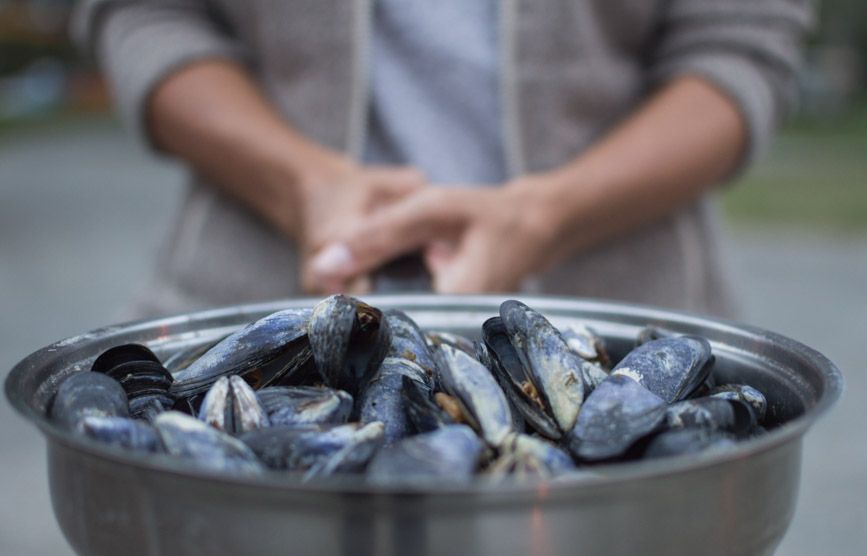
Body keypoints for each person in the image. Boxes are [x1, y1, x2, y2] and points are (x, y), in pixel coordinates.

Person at [73, 0, 812, 318]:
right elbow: (144, 14)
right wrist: (300, 182)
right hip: (247, 308)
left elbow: (739, 44)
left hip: (624, 328)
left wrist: (549, 216)